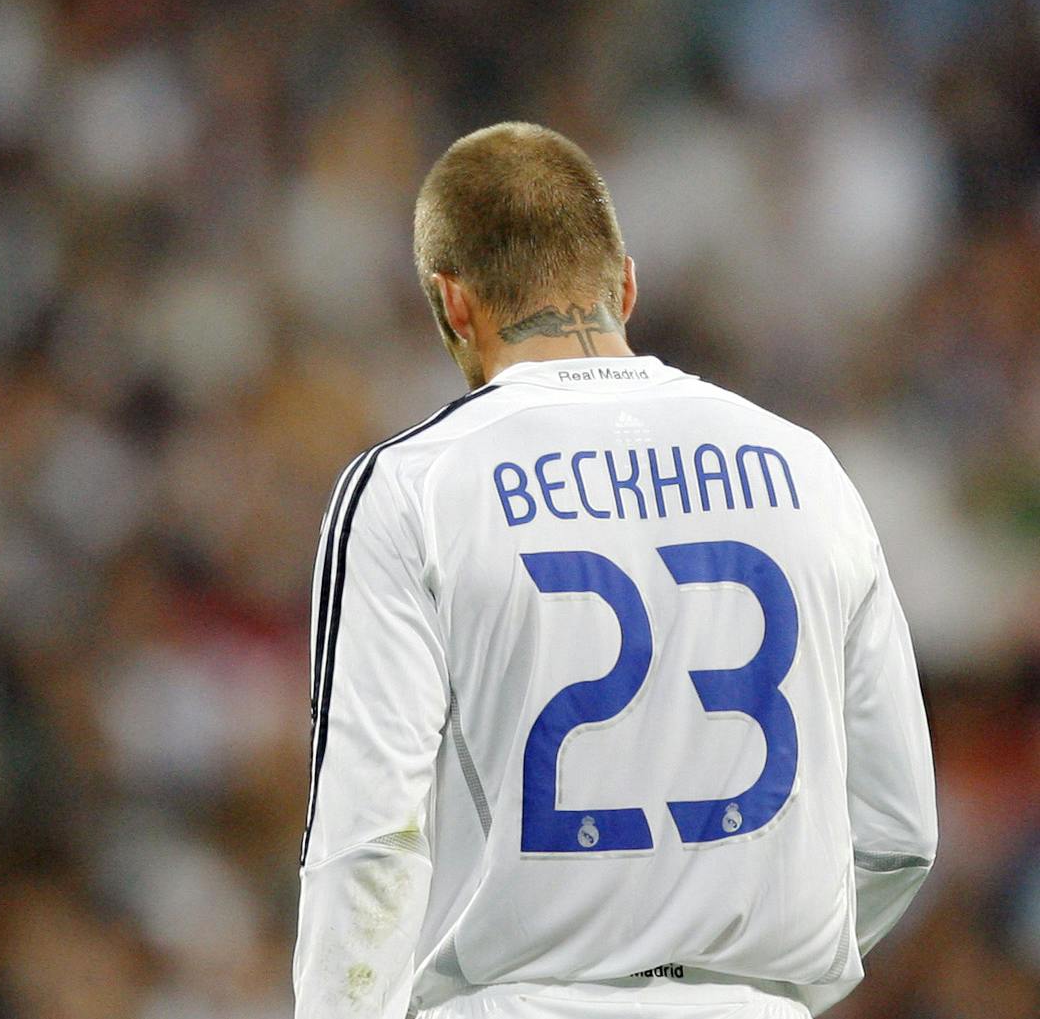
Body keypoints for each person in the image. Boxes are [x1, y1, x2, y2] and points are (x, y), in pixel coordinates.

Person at [292, 122, 936, 1019]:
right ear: (626, 284)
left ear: (454, 304)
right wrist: (742, 981)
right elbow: (901, 833)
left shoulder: (412, 488)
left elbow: (369, 841)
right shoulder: (808, 471)